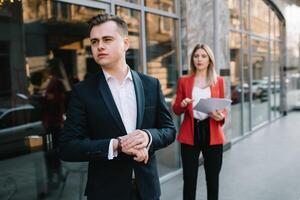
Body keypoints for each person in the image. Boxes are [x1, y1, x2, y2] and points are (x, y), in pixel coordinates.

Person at [59, 14, 176, 200]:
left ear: (126, 43)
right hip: (106, 192)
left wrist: (147, 137)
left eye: (107, 39)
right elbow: (67, 147)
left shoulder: (151, 85)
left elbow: (169, 130)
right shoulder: (83, 91)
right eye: (94, 41)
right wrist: (116, 145)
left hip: (147, 190)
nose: (100, 46)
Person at [172, 44, 227, 200]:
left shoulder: (219, 81)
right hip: (190, 132)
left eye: (203, 56)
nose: (199, 59)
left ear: (210, 60)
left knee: (213, 179)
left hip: (212, 133)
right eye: (196, 56)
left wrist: (221, 116)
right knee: (189, 180)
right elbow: (176, 109)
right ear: (192, 60)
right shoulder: (184, 81)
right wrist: (182, 104)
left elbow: (223, 107)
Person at [42, 58, 66, 190]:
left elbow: (60, 101)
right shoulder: (48, 82)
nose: (46, 68)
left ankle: (56, 175)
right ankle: (55, 174)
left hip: (54, 122)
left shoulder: (57, 82)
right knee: (50, 152)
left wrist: (48, 98)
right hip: (49, 122)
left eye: (48, 66)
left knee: (53, 151)